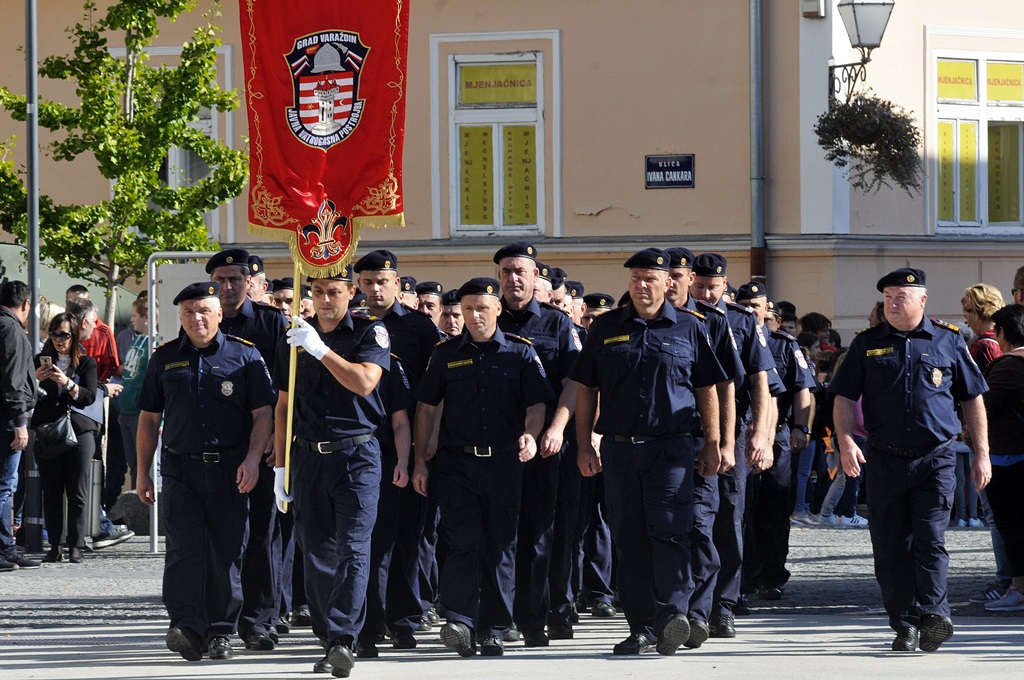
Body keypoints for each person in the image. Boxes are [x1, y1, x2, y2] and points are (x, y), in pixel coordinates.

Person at [572, 248, 728, 656]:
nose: (642, 286)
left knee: (672, 533)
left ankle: (673, 614)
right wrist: (586, 442)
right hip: (621, 451)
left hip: (672, 450)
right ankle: (641, 626)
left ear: (668, 283)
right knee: (629, 538)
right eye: (636, 278)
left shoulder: (690, 329)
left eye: (650, 279)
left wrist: (712, 443)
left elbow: (706, 389)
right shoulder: (605, 329)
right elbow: (586, 389)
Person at [830, 267, 991, 653]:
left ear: (922, 299)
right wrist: (846, 441)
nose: (892, 304)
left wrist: (982, 454)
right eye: (887, 298)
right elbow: (844, 397)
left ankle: (935, 614)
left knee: (930, 539)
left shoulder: (948, 341)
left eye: (900, 296)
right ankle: (904, 623)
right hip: (884, 459)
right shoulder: (867, 344)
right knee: (889, 546)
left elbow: (973, 398)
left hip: (935, 458)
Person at [411, 277, 552, 657]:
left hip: (505, 464)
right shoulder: (445, 354)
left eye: (482, 309)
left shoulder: (520, 353)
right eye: (468, 309)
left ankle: (494, 627)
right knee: (461, 541)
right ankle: (460, 621)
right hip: (457, 464)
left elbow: (537, 403)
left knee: (499, 546)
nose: (474, 316)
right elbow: (426, 407)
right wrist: (421, 460)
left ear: (497, 311)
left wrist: (531, 434)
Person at [136, 282, 276, 662]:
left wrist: (252, 458)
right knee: (183, 549)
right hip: (181, 468)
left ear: (218, 314)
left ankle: (220, 631)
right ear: (179, 317)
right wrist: (142, 472)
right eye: (187, 312)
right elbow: (149, 418)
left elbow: (263, 413)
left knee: (227, 552)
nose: (195, 318)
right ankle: (185, 626)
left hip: (230, 469)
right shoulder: (164, 358)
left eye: (202, 311)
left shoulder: (244, 356)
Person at [271, 266, 390, 678]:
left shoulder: (368, 333)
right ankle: (329, 637)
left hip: (356, 454)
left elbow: (364, 382)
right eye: (317, 291)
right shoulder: (293, 337)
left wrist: (320, 349)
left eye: (333, 291)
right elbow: (284, 405)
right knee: (317, 551)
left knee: (353, 548)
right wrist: (280, 467)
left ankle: (343, 638)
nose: (324, 299)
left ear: (350, 292)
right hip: (307, 455)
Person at [353, 250, 443, 649]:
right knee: (368, 539)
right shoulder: (353, 326)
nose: (375, 290)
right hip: (361, 444)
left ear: (396, 282)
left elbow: (434, 392)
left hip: (405, 445)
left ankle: (404, 618)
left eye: (382, 282)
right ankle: (370, 622)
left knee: (408, 536)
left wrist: (424, 450)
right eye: (368, 282)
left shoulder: (420, 328)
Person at [492, 242, 580, 645]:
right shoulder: (487, 318)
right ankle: (505, 616)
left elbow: (573, 384)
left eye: (520, 271)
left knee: (545, 534)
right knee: (500, 534)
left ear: (534, 276)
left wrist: (558, 428)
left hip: (546, 445)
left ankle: (547, 615)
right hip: (497, 445)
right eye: (506, 271)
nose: (513, 278)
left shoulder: (557, 325)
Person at [207, 248, 290, 652]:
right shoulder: (205, 319)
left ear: (248, 282)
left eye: (234, 280)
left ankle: (260, 620)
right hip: (217, 445)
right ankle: (223, 618)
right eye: (219, 280)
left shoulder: (271, 324)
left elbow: (285, 388)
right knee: (223, 536)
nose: (226, 287)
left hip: (262, 442)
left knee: (262, 534)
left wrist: (277, 437)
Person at [735, 282, 814, 601]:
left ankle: (772, 575)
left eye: (758, 305)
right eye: (747, 305)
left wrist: (801, 428)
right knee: (741, 511)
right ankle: (745, 575)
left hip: (778, 435)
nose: (753, 311)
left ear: (767, 308)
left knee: (775, 509)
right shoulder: (731, 338)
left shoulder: (784, 344)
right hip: (739, 432)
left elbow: (802, 390)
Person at [33, 312, 101, 564]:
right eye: (54, 334)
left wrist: (68, 383)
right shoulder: (38, 361)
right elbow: (26, 392)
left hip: (79, 431)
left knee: (77, 489)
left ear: (74, 335)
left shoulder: (86, 362)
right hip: (49, 431)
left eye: (64, 334)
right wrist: (36, 378)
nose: (59, 339)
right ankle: (54, 545)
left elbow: (90, 396)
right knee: (51, 490)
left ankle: (76, 544)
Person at [977, 304, 1024, 611]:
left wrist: (970, 434)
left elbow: (984, 408)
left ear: (1003, 333)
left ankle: (1018, 588)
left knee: (1011, 524)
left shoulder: (1008, 365)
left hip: (1008, 458)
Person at [1, 280, 39, 572]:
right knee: (5, 486)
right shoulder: (12, 329)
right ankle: (5, 547)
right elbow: (13, 380)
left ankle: (6, 547)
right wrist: (20, 422)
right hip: (6, 420)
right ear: (26, 305)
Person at [116, 295, 156, 490]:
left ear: (146, 316)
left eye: (135, 315)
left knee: (145, 468)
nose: (132, 320)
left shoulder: (154, 344)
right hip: (127, 412)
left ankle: (147, 517)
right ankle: (137, 515)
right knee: (134, 466)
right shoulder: (137, 340)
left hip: (141, 414)